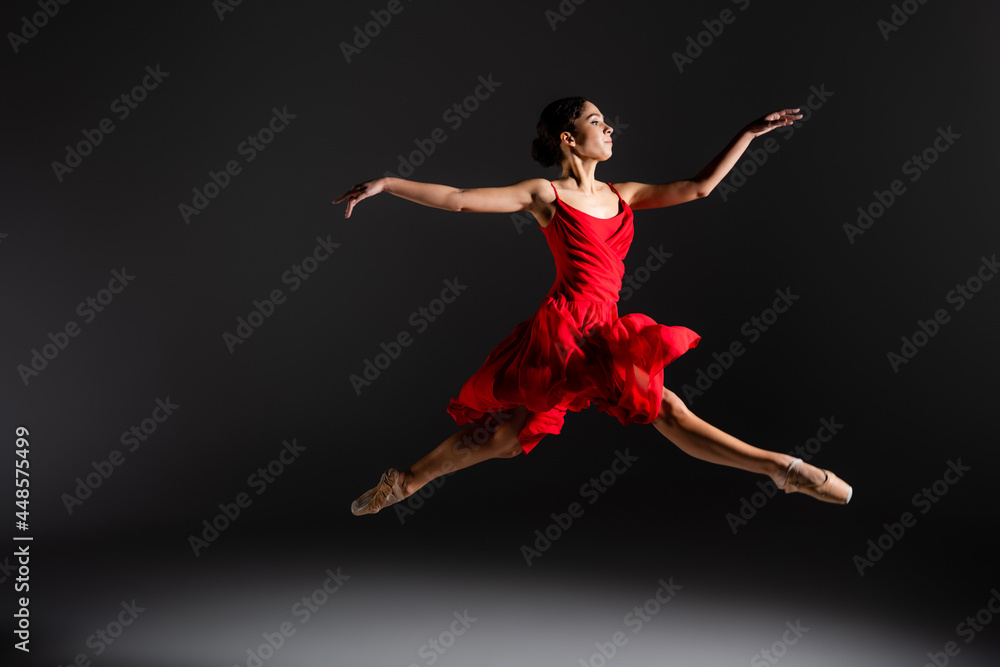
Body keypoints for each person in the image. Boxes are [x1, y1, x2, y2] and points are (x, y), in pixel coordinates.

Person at [334, 97, 852, 516]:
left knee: (520, 434)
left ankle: (403, 482)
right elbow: (460, 198)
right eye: (597, 121)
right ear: (568, 137)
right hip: (564, 327)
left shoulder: (623, 194)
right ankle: (783, 469)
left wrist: (748, 133)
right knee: (639, 412)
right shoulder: (545, 194)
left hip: (604, 327)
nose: (610, 129)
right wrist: (387, 183)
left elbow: (699, 188)